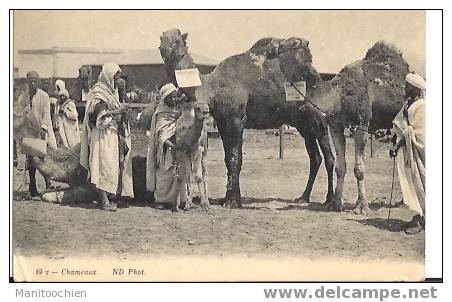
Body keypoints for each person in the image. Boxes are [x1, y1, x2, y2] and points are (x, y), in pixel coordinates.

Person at [80, 63, 133, 211]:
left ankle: (106, 197)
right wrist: (118, 111)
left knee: (110, 166)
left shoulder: (110, 92)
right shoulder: (99, 92)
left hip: (111, 133)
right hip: (102, 134)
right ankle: (103, 201)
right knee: (102, 165)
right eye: (115, 78)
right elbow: (97, 114)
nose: (116, 82)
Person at [390, 73, 426, 234]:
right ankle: (418, 215)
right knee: (411, 183)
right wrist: (396, 143)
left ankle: (422, 218)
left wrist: (398, 144)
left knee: (421, 182)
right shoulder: (409, 104)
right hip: (407, 151)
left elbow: (418, 133)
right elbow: (400, 125)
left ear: (416, 89)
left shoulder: (423, 106)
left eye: (408, 86)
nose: (405, 88)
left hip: (418, 152)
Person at [18, 71, 57, 199]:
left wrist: (43, 129)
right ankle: (32, 187)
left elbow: (46, 114)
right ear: (27, 82)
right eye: (30, 81)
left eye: (35, 81)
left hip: (40, 132)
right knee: (30, 161)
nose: (33, 83)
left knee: (42, 160)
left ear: (38, 81)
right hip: (28, 132)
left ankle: (48, 184)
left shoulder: (44, 96)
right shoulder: (23, 97)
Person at [146, 83, 186, 207]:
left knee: (180, 172)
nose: (174, 99)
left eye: (175, 97)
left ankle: (181, 200)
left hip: (178, 146)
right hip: (165, 149)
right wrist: (172, 146)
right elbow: (161, 135)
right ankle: (161, 200)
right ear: (165, 98)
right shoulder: (161, 113)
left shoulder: (178, 110)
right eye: (171, 97)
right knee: (165, 173)